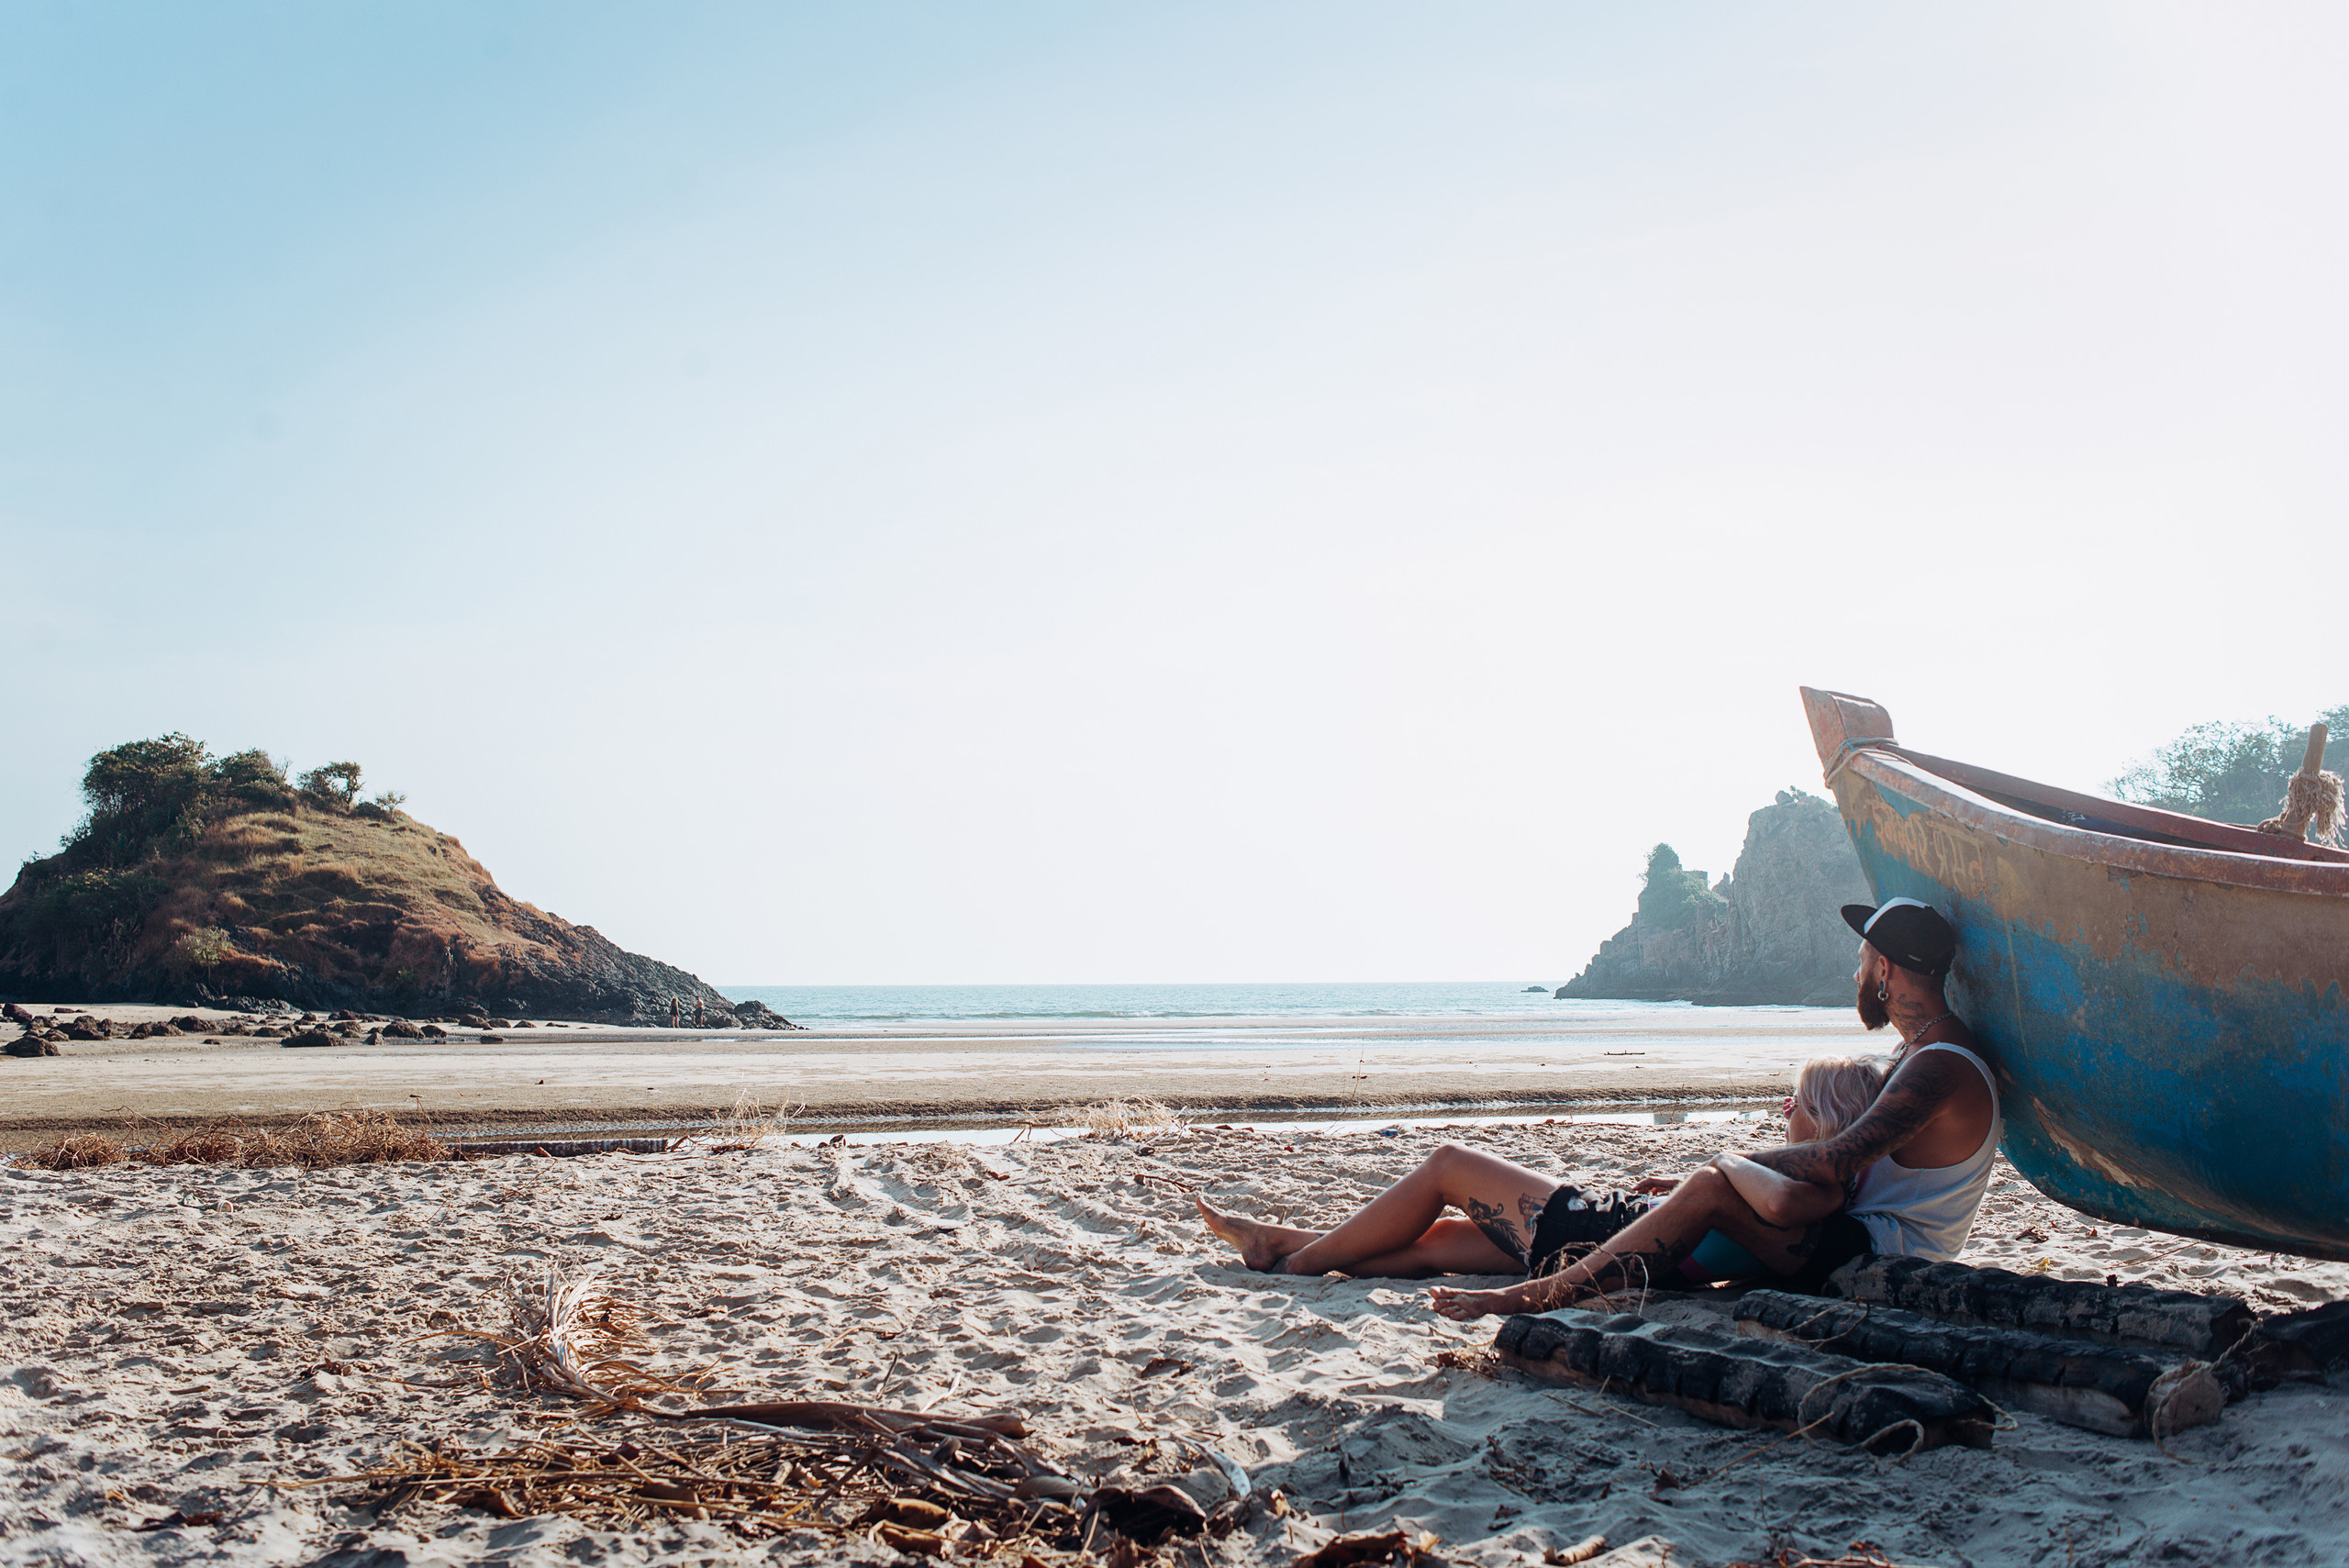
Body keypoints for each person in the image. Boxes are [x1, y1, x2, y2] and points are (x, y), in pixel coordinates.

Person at [1197, 897, 2001, 1319]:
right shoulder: (1927, 1055)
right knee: (1449, 1238)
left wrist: (1720, 1171)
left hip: (1864, 1253)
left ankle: (1306, 1262)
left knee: (1449, 1169)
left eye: (1866, 956)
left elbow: (1828, 1165)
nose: (1859, 966)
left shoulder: (1939, 1065)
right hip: (1841, 1242)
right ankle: (1288, 1246)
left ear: (1888, 968)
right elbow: (1831, 1162)